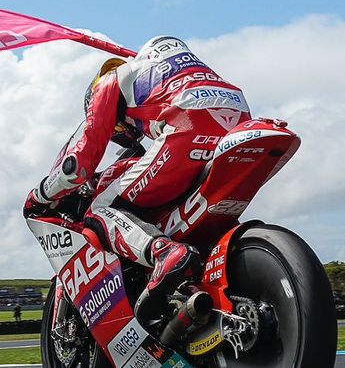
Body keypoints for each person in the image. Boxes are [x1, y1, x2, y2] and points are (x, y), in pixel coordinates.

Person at [24, 36, 251, 322]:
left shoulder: (112, 81)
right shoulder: (173, 71)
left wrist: (43, 193)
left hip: (186, 126)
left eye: (118, 128)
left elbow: (78, 165)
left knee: (102, 209)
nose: (123, 132)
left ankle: (163, 253)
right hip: (238, 119)